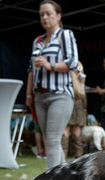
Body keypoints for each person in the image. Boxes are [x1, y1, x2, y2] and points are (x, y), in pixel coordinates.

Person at [25, 0, 78, 169]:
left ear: (58, 16)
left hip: (60, 94)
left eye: (48, 13)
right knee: (50, 139)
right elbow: (31, 69)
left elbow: (73, 62)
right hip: (40, 95)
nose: (45, 17)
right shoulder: (37, 41)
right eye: (42, 14)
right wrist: (28, 95)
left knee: (53, 139)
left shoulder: (65, 35)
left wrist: (50, 65)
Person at [62, 61, 86, 159]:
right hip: (78, 99)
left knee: (65, 127)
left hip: (65, 97)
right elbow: (82, 86)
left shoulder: (63, 62)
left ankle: (63, 156)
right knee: (77, 127)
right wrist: (85, 106)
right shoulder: (78, 64)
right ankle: (78, 155)